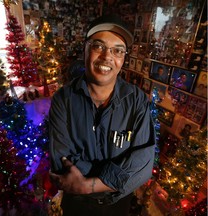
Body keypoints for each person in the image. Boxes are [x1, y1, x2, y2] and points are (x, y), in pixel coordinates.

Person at [49, 14, 156, 216]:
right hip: (77, 204)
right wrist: (115, 176)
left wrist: (88, 185)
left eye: (117, 50)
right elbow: (61, 159)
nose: (107, 57)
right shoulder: (63, 99)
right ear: (86, 49)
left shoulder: (137, 101)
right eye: (99, 46)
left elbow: (143, 164)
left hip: (117, 204)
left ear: (123, 58)